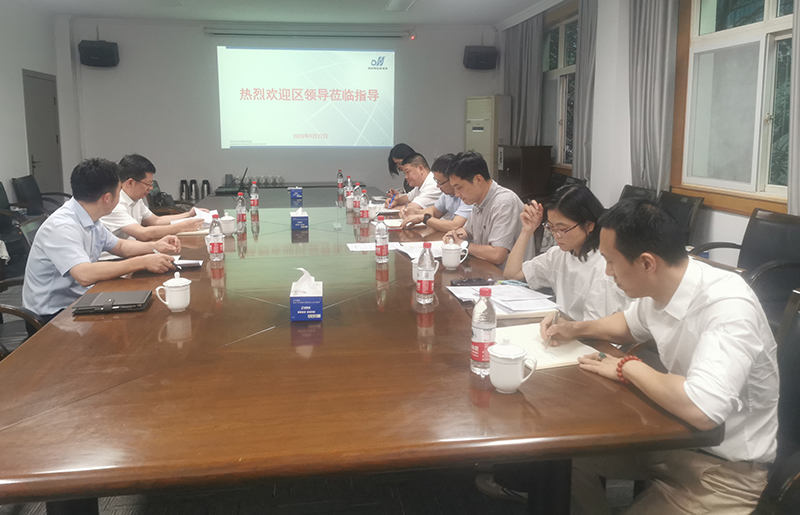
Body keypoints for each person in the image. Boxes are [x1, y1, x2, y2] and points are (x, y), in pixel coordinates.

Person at [543, 198, 778, 515]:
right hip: (671, 442)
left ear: (646, 263)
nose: (607, 271)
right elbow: (628, 324)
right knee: (562, 461)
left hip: (722, 472)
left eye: (611, 261)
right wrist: (575, 328)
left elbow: (702, 409)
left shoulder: (728, 308)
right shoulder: (668, 281)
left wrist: (628, 367)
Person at [23, 158, 180, 331]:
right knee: (138, 327)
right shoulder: (62, 226)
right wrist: (143, 261)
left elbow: (120, 247)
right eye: (119, 191)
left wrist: (156, 245)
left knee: (145, 310)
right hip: (53, 316)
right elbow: (84, 274)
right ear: (107, 198)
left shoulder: (89, 216)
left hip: (82, 299)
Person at [503, 185, 629, 323]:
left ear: (589, 225)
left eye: (563, 229)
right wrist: (527, 230)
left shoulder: (603, 268)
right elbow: (512, 273)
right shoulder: (559, 255)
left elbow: (594, 328)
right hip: (566, 329)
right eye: (551, 227)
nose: (556, 235)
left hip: (584, 333)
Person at [442, 151, 532, 267]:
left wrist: (463, 244)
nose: (457, 194)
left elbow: (497, 255)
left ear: (478, 180)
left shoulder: (504, 203)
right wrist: (454, 235)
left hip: (508, 275)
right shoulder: (478, 200)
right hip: (487, 269)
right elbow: (467, 231)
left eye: (459, 187)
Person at [100, 154, 205, 240]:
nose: (150, 188)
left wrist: (189, 214)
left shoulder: (136, 199)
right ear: (130, 183)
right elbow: (143, 233)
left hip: (131, 250)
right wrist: (182, 226)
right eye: (147, 184)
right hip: (116, 256)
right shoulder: (115, 204)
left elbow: (156, 221)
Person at [400, 153, 472, 232]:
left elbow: (455, 226)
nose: (438, 186)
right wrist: (414, 212)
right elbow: (434, 212)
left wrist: (424, 218)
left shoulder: (467, 195)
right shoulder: (447, 195)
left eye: (440, 182)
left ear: (451, 179)